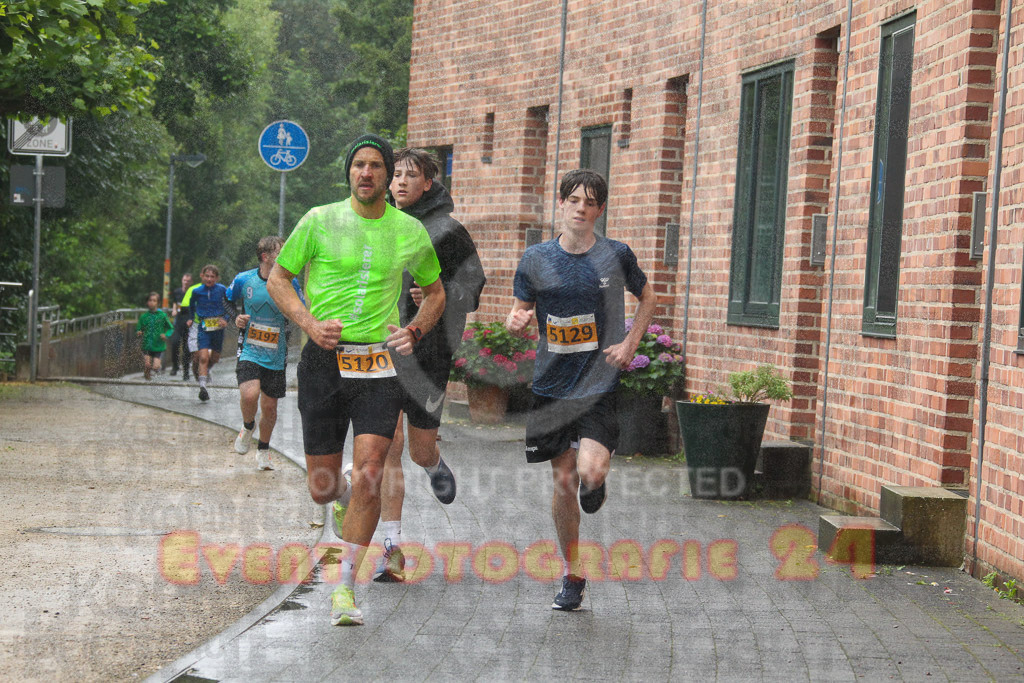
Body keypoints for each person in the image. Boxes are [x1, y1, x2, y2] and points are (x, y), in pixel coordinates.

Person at [268, 134, 446, 626]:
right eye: (358, 166)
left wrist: (413, 331)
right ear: (349, 173)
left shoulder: (409, 230)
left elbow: (436, 293)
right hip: (324, 362)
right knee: (322, 490)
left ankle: (345, 589)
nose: (365, 173)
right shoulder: (319, 220)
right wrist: (307, 324)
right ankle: (343, 498)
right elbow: (278, 279)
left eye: (375, 167)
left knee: (372, 470)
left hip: (378, 365)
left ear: (389, 177)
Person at [506, 169, 655, 611]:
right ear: (561, 204)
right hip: (552, 384)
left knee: (589, 474)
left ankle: (598, 484)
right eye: (573, 200)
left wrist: (630, 343)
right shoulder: (535, 258)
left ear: (600, 209)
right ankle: (571, 573)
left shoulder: (616, 255)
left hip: (597, 381)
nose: (581, 209)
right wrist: (516, 320)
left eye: (590, 202)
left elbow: (647, 297)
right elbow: (520, 309)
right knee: (564, 481)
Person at [374, 148, 486, 582]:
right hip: (381, 350)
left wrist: (440, 295)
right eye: (395, 174)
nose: (400, 182)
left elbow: (474, 286)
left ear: (428, 183)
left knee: (418, 449)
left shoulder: (447, 230)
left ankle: (435, 463)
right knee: (387, 447)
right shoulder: (379, 225)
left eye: (410, 175)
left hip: (429, 354)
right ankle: (392, 548)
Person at [225, 236, 305, 470]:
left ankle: (263, 450)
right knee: (250, 395)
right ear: (265, 257)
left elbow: (299, 309)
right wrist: (235, 317)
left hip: (277, 354)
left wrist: (294, 316)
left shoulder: (290, 282)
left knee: (270, 408)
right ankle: (248, 425)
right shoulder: (244, 279)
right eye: (280, 252)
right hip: (249, 348)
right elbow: (226, 300)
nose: (285, 255)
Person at [182, 264, 230, 402]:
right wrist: (191, 318)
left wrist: (226, 319)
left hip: (217, 328)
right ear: (202, 276)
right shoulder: (197, 291)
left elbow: (229, 305)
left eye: (212, 277)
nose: (209, 279)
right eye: (207, 276)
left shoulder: (222, 290)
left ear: (217, 278)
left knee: (214, 358)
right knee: (203, 357)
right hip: (203, 326)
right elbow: (191, 305)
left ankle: (205, 372)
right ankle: (203, 387)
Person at [136, 292, 174, 381]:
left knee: (156, 367)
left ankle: (156, 369)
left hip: (158, 346)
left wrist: (166, 335)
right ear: (147, 302)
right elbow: (138, 329)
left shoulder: (162, 316)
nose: (152, 302)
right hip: (146, 345)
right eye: (150, 300)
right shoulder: (143, 317)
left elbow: (171, 328)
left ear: (158, 303)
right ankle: (147, 375)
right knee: (147, 364)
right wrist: (139, 332)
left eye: (154, 301)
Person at [169, 272, 193, 379]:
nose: (185, 282)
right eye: (184, 280)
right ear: (182, 280)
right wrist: (174, 310)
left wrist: (192, 319)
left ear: (191, 282)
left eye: (188, 281)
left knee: (187, 349)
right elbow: (175, 303)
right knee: (174, 343)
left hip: (188, 323)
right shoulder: (177, 292)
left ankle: (186, 372)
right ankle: (175, 366)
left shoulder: (193, 293)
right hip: (178, 321)